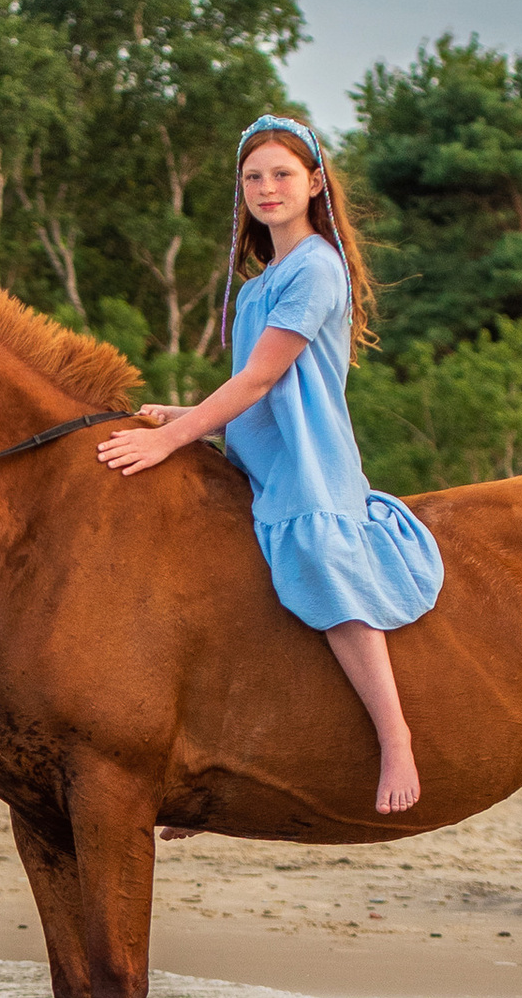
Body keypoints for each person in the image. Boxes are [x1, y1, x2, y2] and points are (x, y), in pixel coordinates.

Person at [97, 113, 442, 814]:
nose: (266, 187)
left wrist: (174, 438)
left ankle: (395, 735)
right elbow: (250, 388)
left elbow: (261, 379)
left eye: (281, 173)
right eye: (253, 177)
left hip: (306, 462)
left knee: (318, 553)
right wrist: (181, 414)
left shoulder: (316, 265)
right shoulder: (262, 281)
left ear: (314, 183)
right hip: (256, 455)